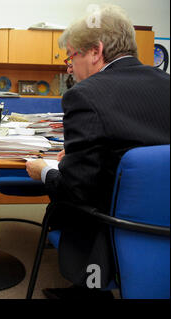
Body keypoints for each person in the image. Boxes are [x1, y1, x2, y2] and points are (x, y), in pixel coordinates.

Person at [26, 4, 170, 299]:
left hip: (112, 230)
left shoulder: (85, 95)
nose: (69, 67)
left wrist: (47, 171)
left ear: (95, 51)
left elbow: (75, 191)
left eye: (71, 56)